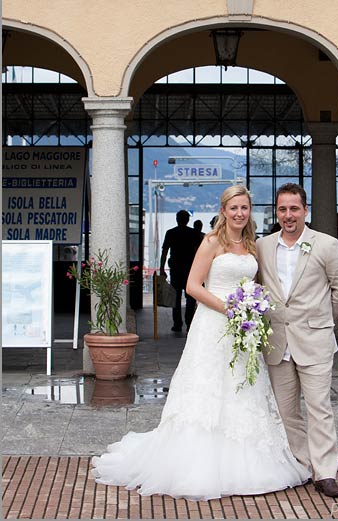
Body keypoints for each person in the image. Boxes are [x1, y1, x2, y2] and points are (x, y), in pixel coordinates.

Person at [91, 185, 309, 499]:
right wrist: (230, 309)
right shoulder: (211, 242)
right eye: (233, 208)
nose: (238, 213)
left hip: (243, 328)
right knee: (209, 390)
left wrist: (252, 308)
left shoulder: (252, 245)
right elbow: (193, 286)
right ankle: (199, 463)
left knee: (242, 389)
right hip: (213, 325)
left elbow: (258, 283)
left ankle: (248, 461)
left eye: (244, 208)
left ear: (250, 211)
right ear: (223, 211)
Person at [256, 183, 338, 498]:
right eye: (283, 209)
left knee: (319, 408)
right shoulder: (262, 246)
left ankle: (326, 473)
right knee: (286, 411)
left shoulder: (325, 244)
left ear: (305, 210)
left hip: (314, 340)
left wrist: (321, 315)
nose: (288, 215)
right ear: (276, 211)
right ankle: (303, 465)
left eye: (294, 209)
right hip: (277, 342)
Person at [159, 210, 201, 332]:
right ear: (188, 220)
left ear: (177, 219)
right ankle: (189, 322)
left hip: (175, 268)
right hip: (190, 269)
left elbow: (165, 252)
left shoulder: (171, 233)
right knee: (191, 297)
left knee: (175, 297)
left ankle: (177, 324)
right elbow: (198, 252)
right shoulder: (193, 233)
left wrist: (162, 268)